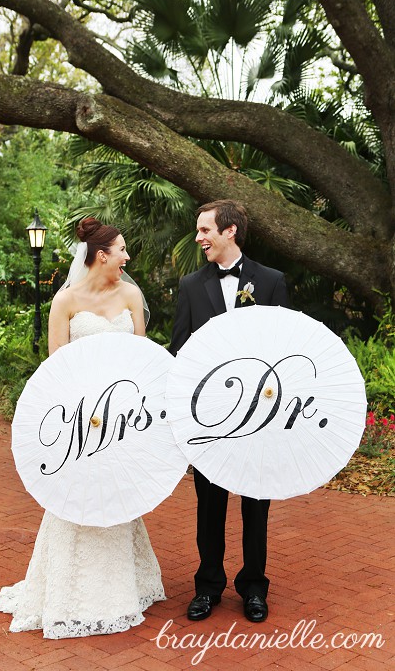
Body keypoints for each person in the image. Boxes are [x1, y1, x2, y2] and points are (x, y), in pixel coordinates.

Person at [0, 217, 166, 639]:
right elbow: (55, 368)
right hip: (80, 420)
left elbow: (143, 356)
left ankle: (123, 584)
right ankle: (67, 588)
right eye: (121, 250)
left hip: (123, 417)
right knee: (78, 494)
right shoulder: (65, 301)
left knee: (117, 492)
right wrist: (78, 413)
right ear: (101, 255)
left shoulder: (131, 295)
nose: (127, 257)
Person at [169, 199, 288, 624]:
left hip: (259, 419)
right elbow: (179, 350)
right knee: (209, 505)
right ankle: (208, 586)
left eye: (205, 230)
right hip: (209, 419)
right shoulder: (189, 286)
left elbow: (285, 349)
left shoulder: (271, 282)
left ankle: (254, 586)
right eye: (199, 230)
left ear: (230, 230)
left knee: (256, 506)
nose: (199, 237)